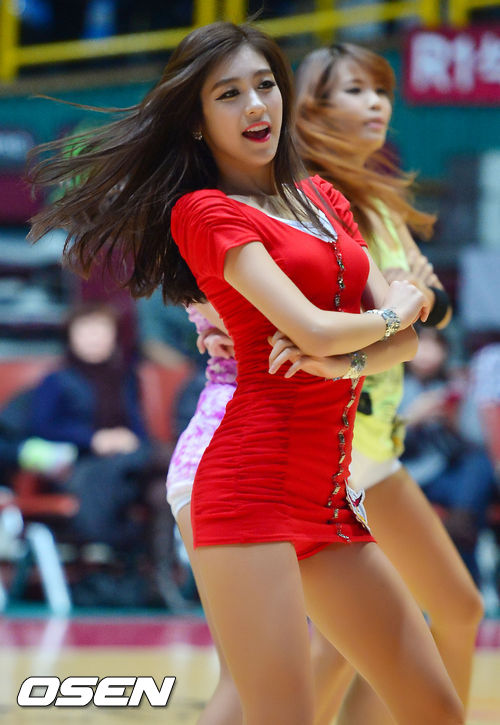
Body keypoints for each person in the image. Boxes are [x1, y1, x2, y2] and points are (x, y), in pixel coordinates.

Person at [27, 22, 464, 724]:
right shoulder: (204, 211)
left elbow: (402, 347)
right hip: (246, 485)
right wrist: (397, 309)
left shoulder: (323, 197)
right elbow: (322, 326)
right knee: (277, 712)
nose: (255, 105)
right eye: (228, 94)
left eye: (264, 85)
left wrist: (351, 354)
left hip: (328, 494)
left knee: (435, 708)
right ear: (197, 120)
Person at [288, 43, 483, 724]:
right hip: (334, 451)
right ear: (313, 107)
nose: (376, 103)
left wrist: (411, 304)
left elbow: (434, 304)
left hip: (379, 451)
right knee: (351, 644)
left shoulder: (380, 202)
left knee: (457, 608)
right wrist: (405, 306)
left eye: (381, 91)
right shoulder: (312, 199)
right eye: (355, 90)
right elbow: (357, 320)